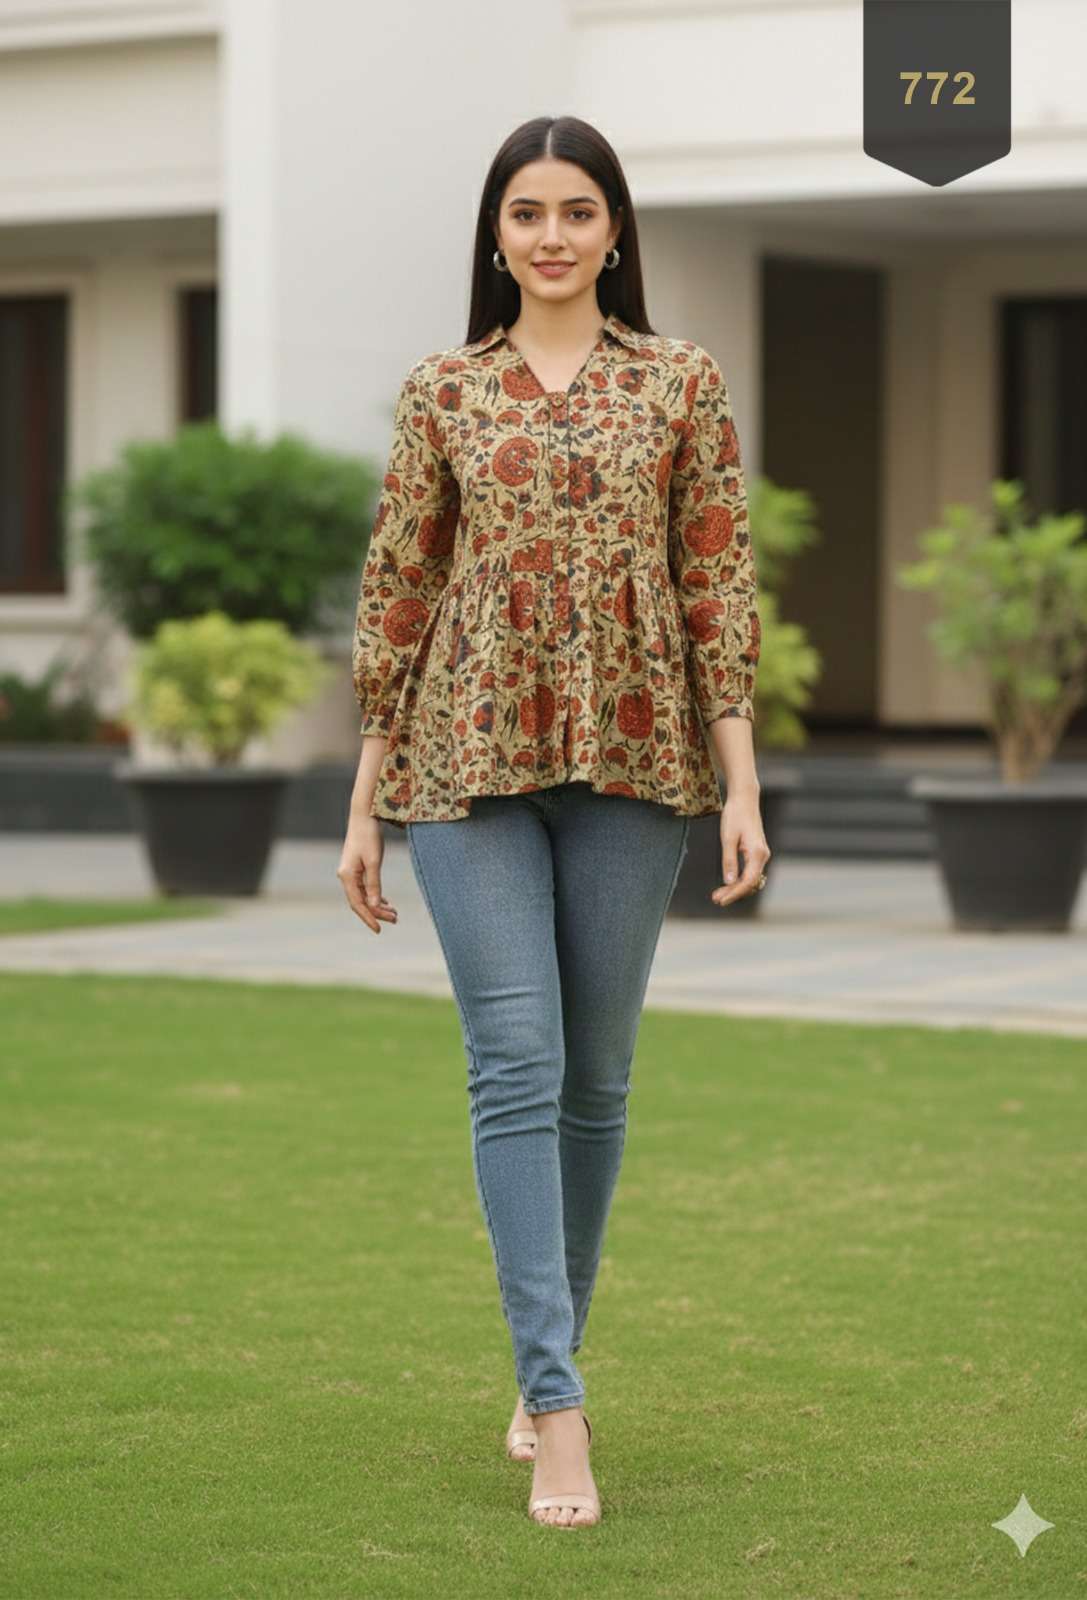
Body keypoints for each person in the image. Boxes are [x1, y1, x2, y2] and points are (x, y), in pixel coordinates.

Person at [338, 114, 770, 1530]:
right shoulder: (444, 390)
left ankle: (546, 1358)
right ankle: (561, 1402)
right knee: (516, 1063)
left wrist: (742, 782)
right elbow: (400, 587)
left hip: (639, 761)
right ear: (497, 233)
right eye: (526, 212)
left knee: (597, 1082)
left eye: (577, 211)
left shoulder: (681, 381)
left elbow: (715, 578)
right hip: (467, 757)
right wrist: (364, 797)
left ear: (615, 229)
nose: (552, 236)